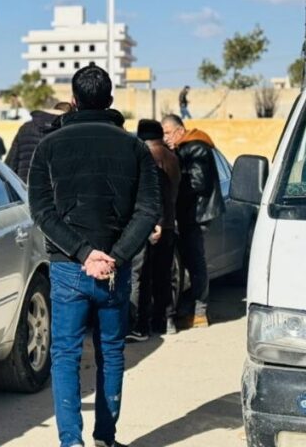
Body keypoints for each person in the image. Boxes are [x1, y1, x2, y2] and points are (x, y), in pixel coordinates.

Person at [28, 66, 159, 447]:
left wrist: (85, 254)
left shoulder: (48, 146)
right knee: (111, 353)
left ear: (73, 100)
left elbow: (41, 211)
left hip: (69, 267)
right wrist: (114, 256)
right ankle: (106, 438)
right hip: (113, 272)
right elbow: (148, 210)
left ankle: (71, 442)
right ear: (110, 101)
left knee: (66, 356)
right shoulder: (133, 147)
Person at [161, 114, 223, 329]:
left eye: (168, 133)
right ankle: (191, 309)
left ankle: (199, 313)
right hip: (190, 215)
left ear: (179, 130)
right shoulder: (185, 148)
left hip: (197, 215)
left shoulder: (195, 147)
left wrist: (173, 192)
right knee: (189, 262)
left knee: (196, 263)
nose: (165, 138)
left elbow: (198, 183)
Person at [128, 119, 182, 341]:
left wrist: (153, 224)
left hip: (151, 226)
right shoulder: (172, 157)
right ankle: (166, 319)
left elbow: (154, 194)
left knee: (141, 276)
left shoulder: (147, 157)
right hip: (169, 223)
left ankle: (140, 326)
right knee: (164, 275)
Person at [5, 102, 72, 183]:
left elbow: (12, 160)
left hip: (24, 185)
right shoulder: (66, 131)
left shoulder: (26, 127)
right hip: (51, 188)